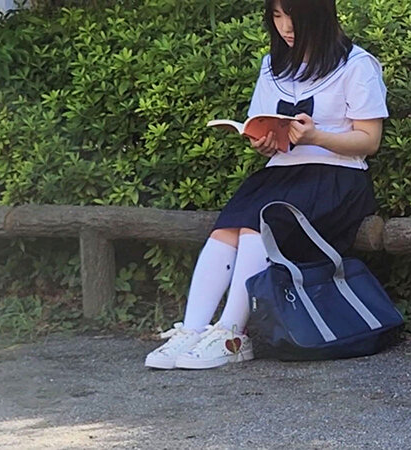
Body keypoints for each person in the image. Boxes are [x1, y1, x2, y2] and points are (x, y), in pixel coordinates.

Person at [145, 0, 388, 370]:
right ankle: (191, 330)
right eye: (276, 16)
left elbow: (369, 140)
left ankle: (231, 335)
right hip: (281, 173)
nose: (285, 27)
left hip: (336, 177)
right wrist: (265, 142)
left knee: (258, 228)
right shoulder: (273, 66)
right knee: (226, 230)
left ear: (319, 15)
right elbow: (266, 124)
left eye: (293, 16)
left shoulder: (356, 64)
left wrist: (316, 137)